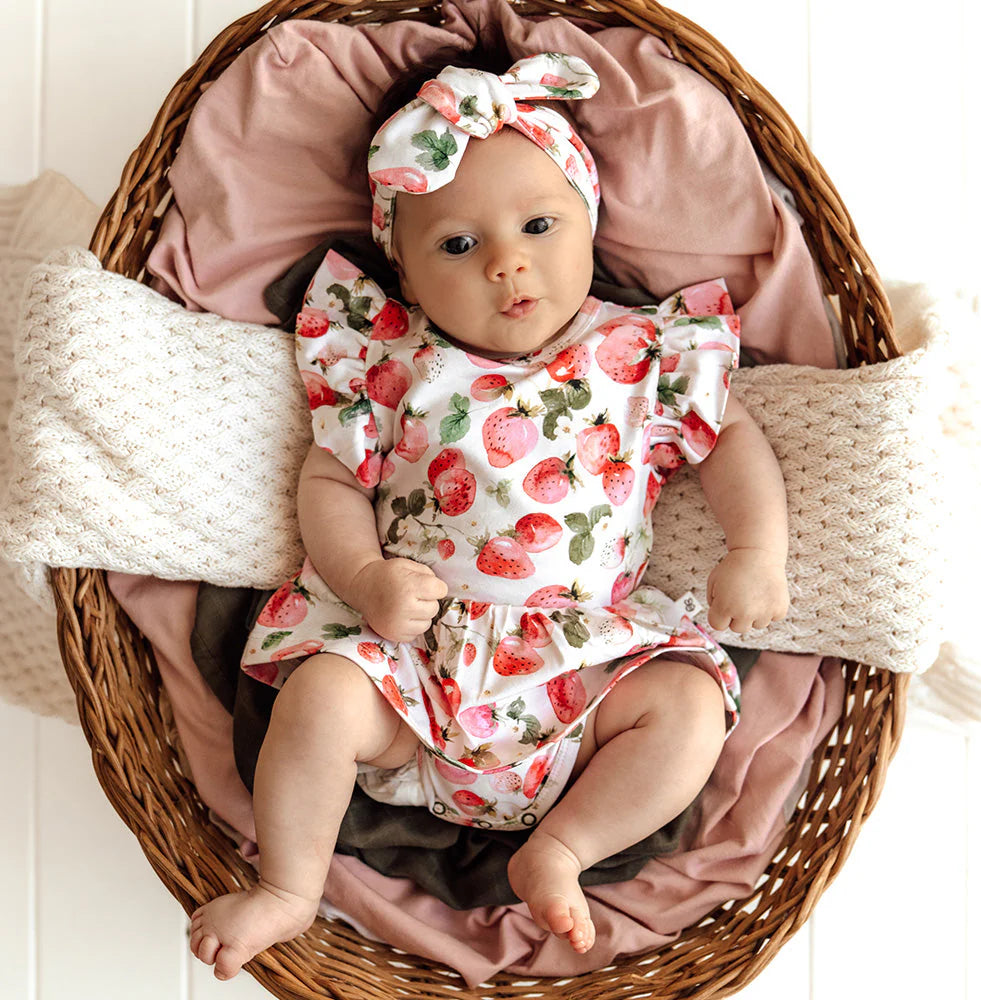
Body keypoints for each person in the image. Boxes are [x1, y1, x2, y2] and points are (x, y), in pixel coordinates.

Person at [190, 52, 789, 980]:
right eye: (458, 246)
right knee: (319, 697)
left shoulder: (641, 355)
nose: (508, 262)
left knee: (690, 704)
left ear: (589, 222)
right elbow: (332, 485)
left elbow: (729, 439)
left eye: (540, 225)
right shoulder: (391, 365)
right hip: (412, 674)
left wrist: (757, 549)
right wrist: (365, 580)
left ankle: (564, 847)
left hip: (586, 672)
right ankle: (289, 886)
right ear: (408, 272)